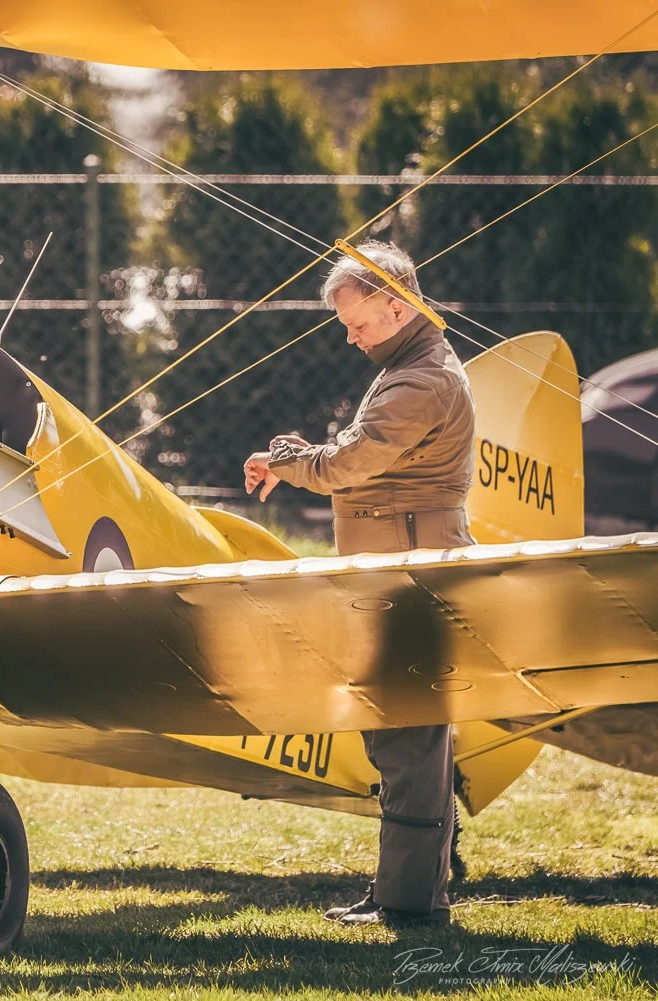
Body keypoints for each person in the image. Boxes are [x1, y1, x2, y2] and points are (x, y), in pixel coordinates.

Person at [242, 240, 475, 928]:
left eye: (359, 322)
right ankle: (404, 891)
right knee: (400, 733)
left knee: (408, 734)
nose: (350, 336)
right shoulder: (409, 364)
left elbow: (347, 463)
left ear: (396, 306)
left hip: (409, 575)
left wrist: (289, 458)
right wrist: (295, 456)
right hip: (395, 571)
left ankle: (411, 902)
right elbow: (351, 454)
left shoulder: (421, 380)